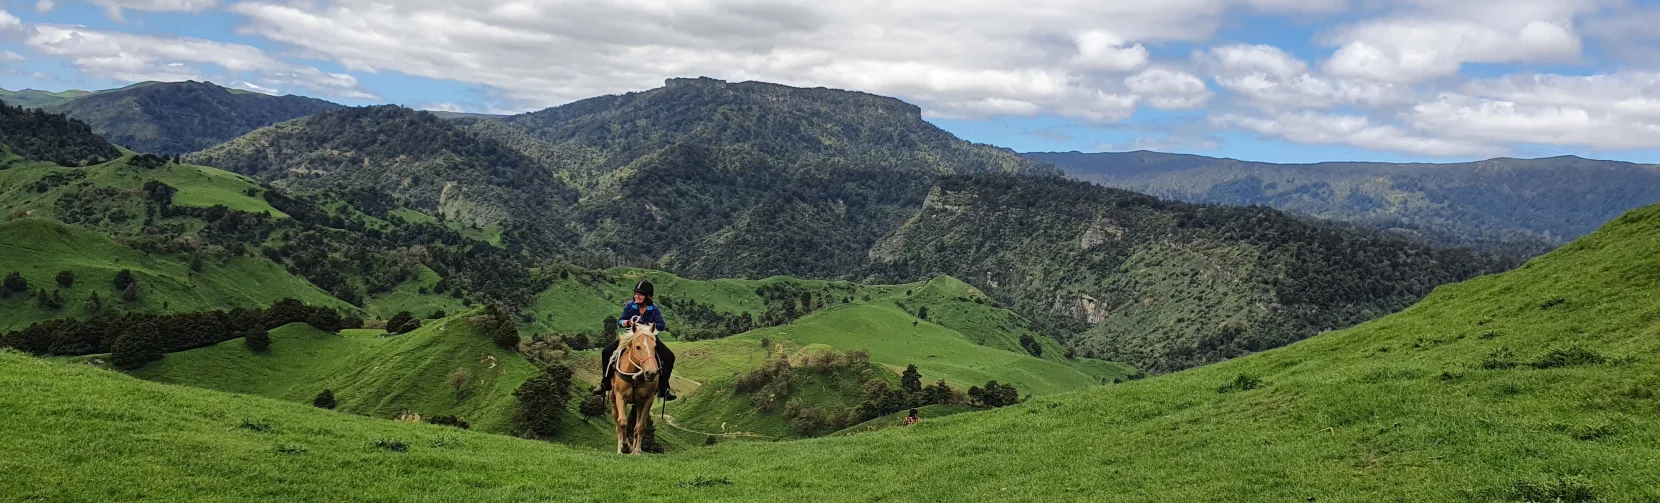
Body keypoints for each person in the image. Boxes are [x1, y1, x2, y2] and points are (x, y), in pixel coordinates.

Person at [593, 280, 678, 401]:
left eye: (641, 294)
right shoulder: (630, 305)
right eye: (636, 293)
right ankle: (604, 383)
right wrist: (628, 322)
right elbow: (620, 321)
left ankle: (664, 387)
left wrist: (646, 325)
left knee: (670, 357)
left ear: (648, 297)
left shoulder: (654, 308)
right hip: (631, 337)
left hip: (648, 338)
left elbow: (661, 325)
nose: (637, 296)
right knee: (606, 352)